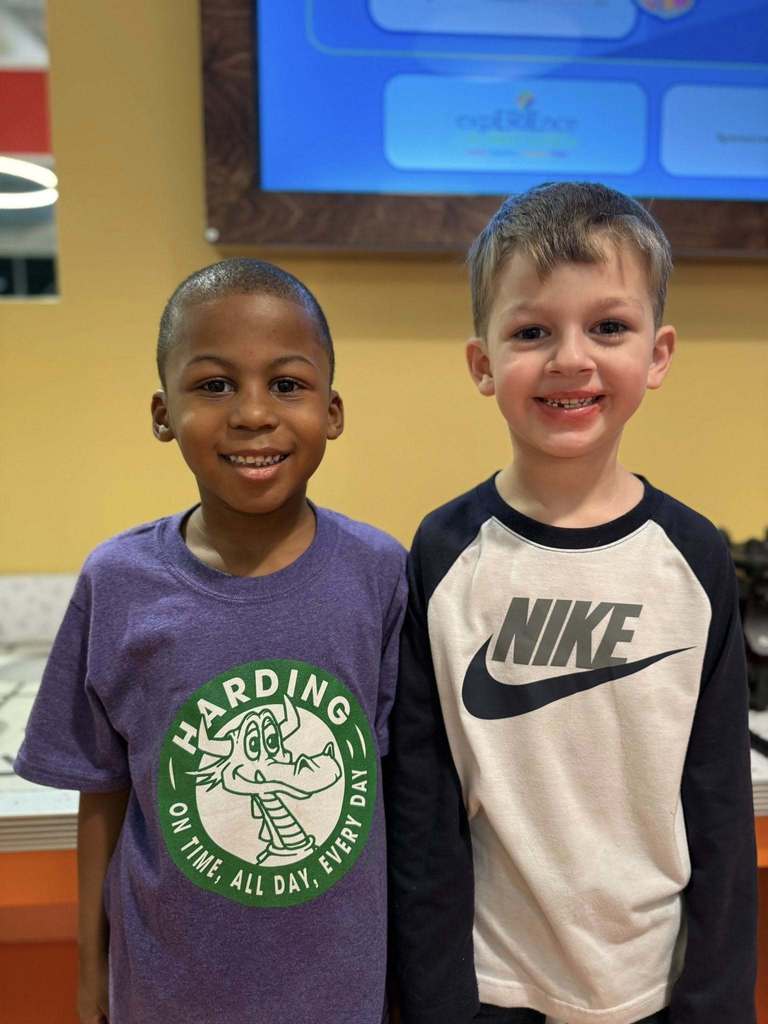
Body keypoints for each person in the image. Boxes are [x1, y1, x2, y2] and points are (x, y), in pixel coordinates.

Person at [386, 182, 756, 1024]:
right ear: (482, 363)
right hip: (493, 990)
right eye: (531, 332)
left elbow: (721, 812)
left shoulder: (693, 560)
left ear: (657, 355)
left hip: (656, 992)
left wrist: (714, 1004)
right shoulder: (444, 556)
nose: (570, 359)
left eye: (608, 327)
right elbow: (422, 813)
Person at [15, 258, 407, 1024]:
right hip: (168, 992)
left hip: (343, 994)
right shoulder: (119, 581)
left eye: (286, 385)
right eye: (215, 384)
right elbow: (103, 793)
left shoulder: (382, 574)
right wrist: (91, 973)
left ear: (332, 410)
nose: (252, 414)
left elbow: (398, 794)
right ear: (163, 413)